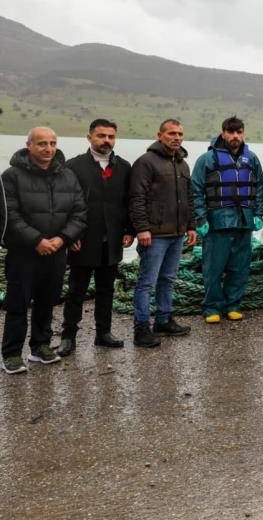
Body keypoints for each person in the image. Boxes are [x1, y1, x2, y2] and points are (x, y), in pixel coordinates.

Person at [1, 128, 86, 374]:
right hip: (23, 253)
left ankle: (40, 346)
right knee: (18, 304)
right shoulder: (11, 176)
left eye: (52, 143)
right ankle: (11, 354)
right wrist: (37, 240)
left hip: (57, 252)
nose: (48, 148)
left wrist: (62, 239)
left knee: (47, 301)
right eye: (41, 144)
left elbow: (79, 213)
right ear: (29, 145)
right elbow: (9, 216)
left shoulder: (68, 176)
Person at [56, 119, 133, 357]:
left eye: (110, 136)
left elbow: (127, 202)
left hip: (112, 240)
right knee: (76, 291)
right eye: (101, 136)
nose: (106, 141)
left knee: (106, 289)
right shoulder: (73, 166)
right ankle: (68, 337)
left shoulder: (124, 167)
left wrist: (129, 230)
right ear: (89, 137)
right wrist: (70, 235)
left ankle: (103, 333)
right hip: (83, 239)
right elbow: (64, 204)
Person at [129, 119, 196, 348]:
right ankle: (141, 328)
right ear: (160, 135)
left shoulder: (182, 164)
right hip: (154, 234)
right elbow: (136, 198)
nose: (176, 137)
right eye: (171, 133)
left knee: (168, 279)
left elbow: (189, 198)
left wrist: (191, 226)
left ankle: (164, 319)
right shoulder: (146, 162)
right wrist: (142, 228)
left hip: (177, 233)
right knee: (147, 282)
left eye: (179, 133)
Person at [192, 117, 263, 324]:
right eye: (230, 132)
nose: (235, 136)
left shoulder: (251, 159)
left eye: (239, 132)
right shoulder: (207, 159)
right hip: (217, 223)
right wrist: (200, 218)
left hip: (244, 222)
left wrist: (259, 213)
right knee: (213, 268)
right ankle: (212, 307)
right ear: (222, 133)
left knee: (240, 267)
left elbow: (259, 187)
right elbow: (196, 189)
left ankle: (233, 305)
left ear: (243, 133)